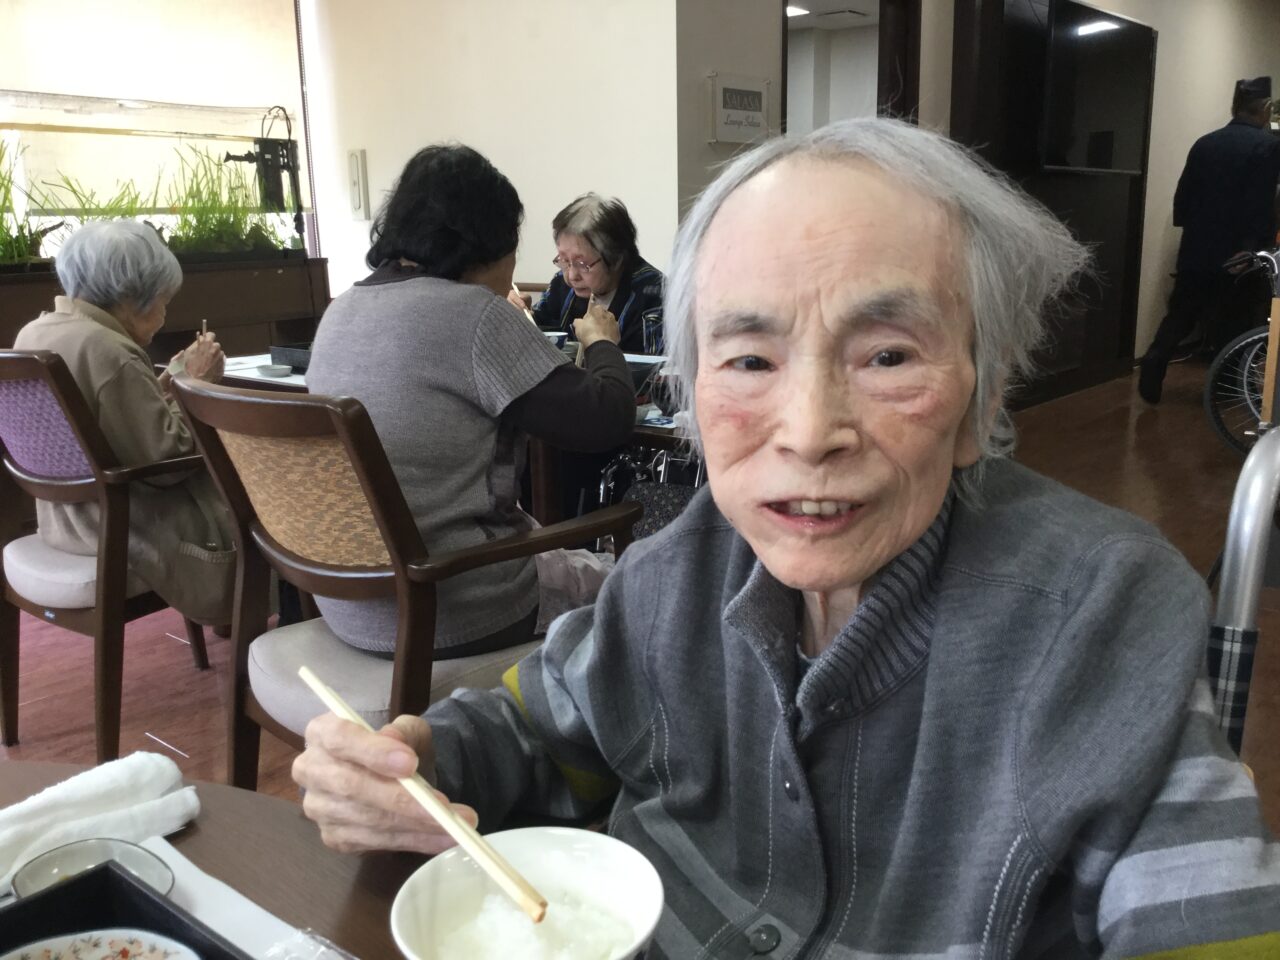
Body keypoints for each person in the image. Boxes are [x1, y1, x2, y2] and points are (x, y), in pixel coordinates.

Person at [294, 119, 1280, 957]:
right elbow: (544, 735)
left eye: (886, 355)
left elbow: (1202, 909)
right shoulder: (672, 571)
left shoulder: (1099, 618)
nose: (808, 432)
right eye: (750, 359)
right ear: (692, 394)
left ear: (981, 402)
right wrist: (418, 766)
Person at [305, 146, 635, 659]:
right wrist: (601, 342)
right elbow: (608, 418)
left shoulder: (340, 311)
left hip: (347, 603)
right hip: (459, 604)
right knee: (642, 584)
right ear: (489, 243)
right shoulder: (475, 314)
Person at [13, 219, 234, 624]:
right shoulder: (107, 348)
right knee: (261, 496)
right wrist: (199, 383)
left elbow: (108, 421)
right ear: (133, 296)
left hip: (61, 520)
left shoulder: (34, 332)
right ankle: (257, 613)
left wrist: (170, 382)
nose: (165, 313)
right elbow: (169, 460)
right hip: (117, 525)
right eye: (163, 300)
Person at [1139, 76, 1280, 404]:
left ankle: (1154, 363)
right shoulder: (1268, 146)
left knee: (1181, 313)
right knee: (1237, 320)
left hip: (1197, 247)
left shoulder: (1205, 143)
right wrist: (1255, 247)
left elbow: (1183, 197)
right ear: (1265, 109)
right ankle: (1227, 388)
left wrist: (1193, 229)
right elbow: (1260, 202)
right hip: (1239, 252)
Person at [509, 193, 664, 355]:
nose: (571, 276)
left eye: (582, 264)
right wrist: (520, 316)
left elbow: (655, 367)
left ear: (617, 259)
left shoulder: (654, 294)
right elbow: (540, 337)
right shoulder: (560, 285)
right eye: (564, 260)